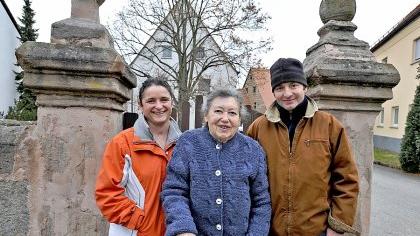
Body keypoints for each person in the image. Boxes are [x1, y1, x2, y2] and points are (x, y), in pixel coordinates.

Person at [247, 58, 360, 236]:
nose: (287, 93)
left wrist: (337, 226)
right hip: (269, 230)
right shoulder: (258, 128)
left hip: (316, 230)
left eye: (293, 85)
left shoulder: (329, 125)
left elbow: (347, 179)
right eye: (279, 88)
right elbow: (245, 179)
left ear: (304, 87)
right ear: (274, 92)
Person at [161, 89, 271, 236]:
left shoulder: (253, 150)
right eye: (218, 111)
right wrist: (183, 228)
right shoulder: (188, 142)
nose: (225, 118)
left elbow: (262, 203)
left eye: (232, 113)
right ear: (206, 115)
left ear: (239, 119)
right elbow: (174, 191)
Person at [95, 78, 182, 236]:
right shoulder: (122, 144)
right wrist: (140, 221)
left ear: (172, 103)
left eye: (164, 99)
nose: (158, 106)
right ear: (141, 105)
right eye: (151, 101)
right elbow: (107, 194)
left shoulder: (185, 144)